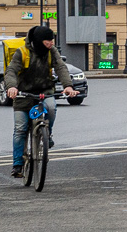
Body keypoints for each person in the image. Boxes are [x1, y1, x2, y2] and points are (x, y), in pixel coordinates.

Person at [7, 25, 77, 177]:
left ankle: (47, 134)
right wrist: (12, 87)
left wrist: (68, 86)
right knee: (20, 129)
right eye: (48, 41)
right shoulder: (22, 52)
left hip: (44, 92)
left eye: (52, 40)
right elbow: (11, 70)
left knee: (51, 108)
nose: (51, 43)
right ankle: (17, 165)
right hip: (23, 95)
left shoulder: (52, 52)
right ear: (39, 41)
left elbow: (61, 68)